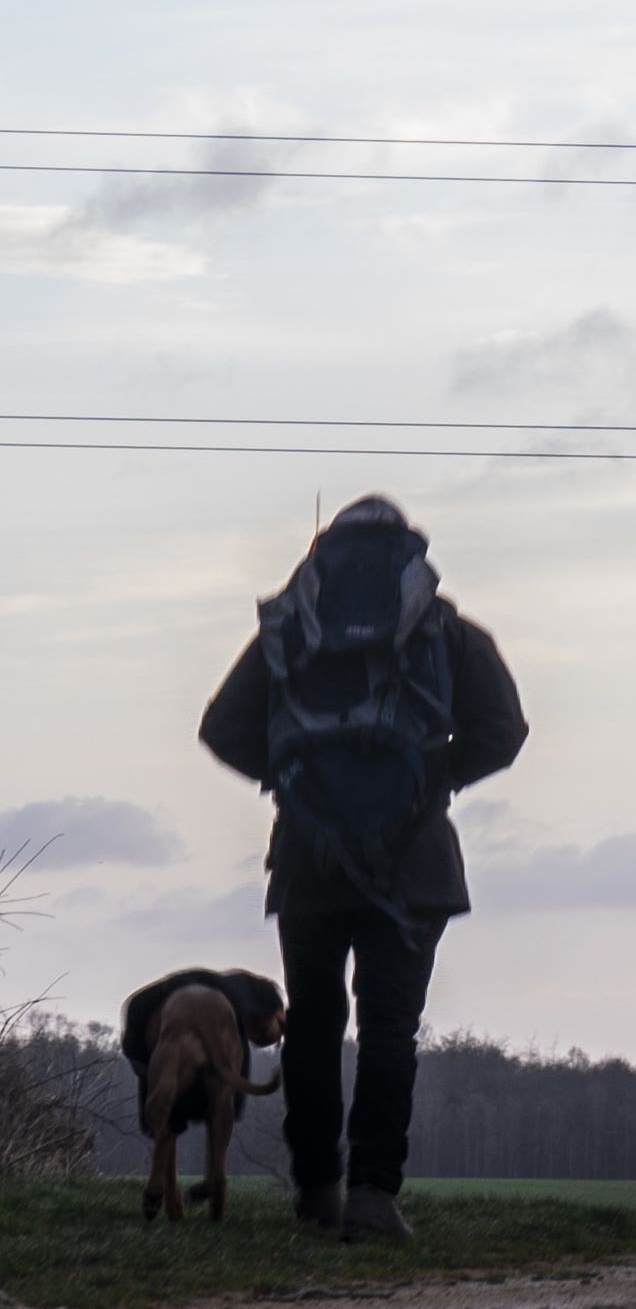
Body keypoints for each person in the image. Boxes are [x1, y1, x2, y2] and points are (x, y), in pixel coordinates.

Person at [196, 497, 530, 1241]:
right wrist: (431, 782)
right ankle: (375, 1198)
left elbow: (220, 727)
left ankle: (317, 1192)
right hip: (414, 864)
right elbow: (504, 732)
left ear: (323, 555)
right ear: (410, 559)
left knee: (312, 1027)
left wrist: (291, 780)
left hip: (307, 862)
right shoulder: (447, 631)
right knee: (390, 1032)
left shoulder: (288, 630)